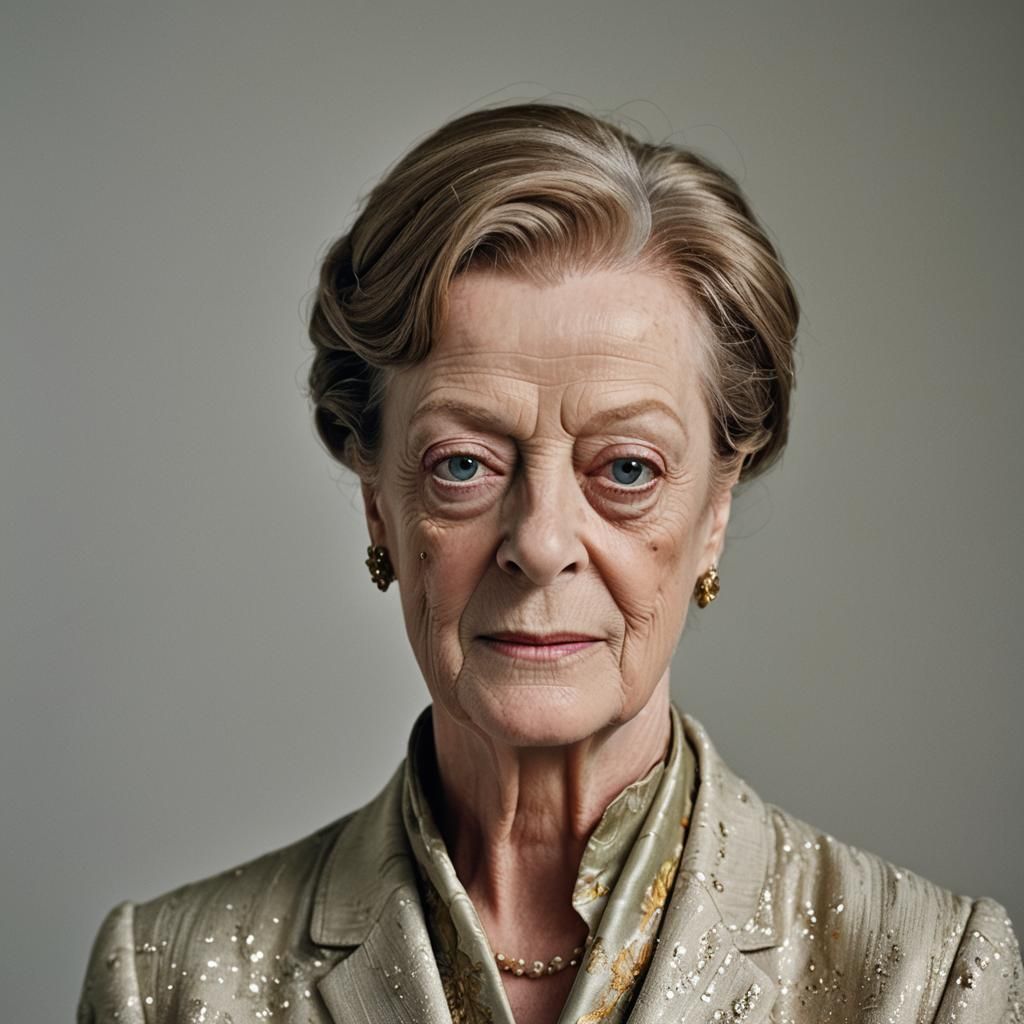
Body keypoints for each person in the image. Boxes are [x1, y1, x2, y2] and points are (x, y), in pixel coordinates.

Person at [78, 102, 1021, 1024]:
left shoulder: (931, 980)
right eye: (462, 465)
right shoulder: (168, 983)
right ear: (379, 502)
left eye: (625, 469)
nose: (539, 543)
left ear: (715, 511)